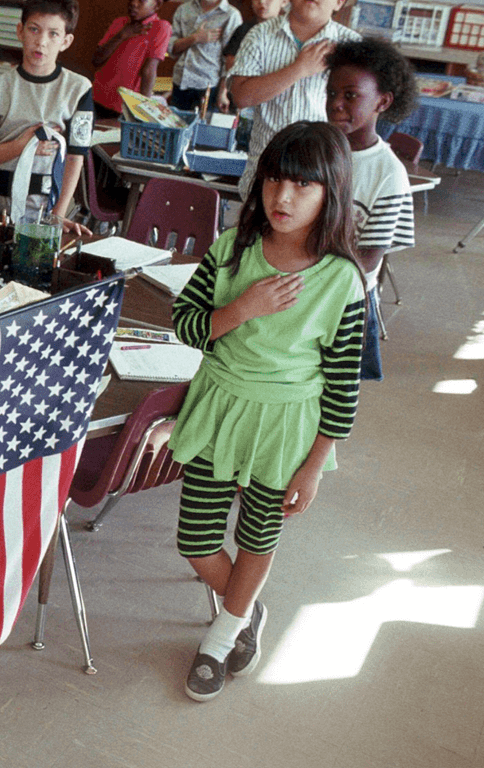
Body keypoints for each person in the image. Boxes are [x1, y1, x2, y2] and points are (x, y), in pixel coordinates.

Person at [166, 121, 366, 702]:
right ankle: (246, 610)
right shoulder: (232, 250)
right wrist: (243, 306)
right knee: (197, 540)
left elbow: (343, 385)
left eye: (304, 186)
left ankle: (221, 635)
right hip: (218, 408)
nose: (284, 198)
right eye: (275, 180)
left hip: (286, 427)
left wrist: (315, 466)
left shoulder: (343, 280)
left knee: (258, 536)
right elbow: (186, 325)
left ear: (332, 193)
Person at [228, 0, 361, 198]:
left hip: (321, 180)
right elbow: (241, 96)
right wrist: (299, 69)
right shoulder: (260, 35)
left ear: (340, 1)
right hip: (265, 174)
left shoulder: (351, 47)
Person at [325, 38, 418, 381]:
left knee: (332, 396)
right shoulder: (318, 149)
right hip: (296, 287)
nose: (335, 104)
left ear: (383, 101)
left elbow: (368, 259)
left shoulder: (388, 173)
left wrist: (309, 283)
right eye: (331, 93)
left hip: (344, 304)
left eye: (350, 95)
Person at [0, 0, 94, 237]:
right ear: (19, 31)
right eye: (34, 29)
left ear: (66, 41)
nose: (41, 41)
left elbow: (76, 156)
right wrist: (23, 145)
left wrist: (58, 213)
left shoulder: (78, 90)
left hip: (42, 206)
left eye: (53, 33)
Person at [91, 0, 173, 119]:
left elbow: (149, 70)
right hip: (98, 98)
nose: (133, 3)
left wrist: (143, 111)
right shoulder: (120, 23)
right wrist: (122, 35)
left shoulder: (160, 28)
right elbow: (96, 60)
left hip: (126, 107)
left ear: (157, 4)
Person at [168, 0, 242, 114]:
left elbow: (229, 61)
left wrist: (223, 92)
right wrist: (195, 38)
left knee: (200, 134)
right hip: (180, 81)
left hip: (208, 86)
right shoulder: (184, 10)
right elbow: (171, 49)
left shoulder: (231, 15)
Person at [218, 0, 288, 125]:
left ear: (284, 0)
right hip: (243, 100)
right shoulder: (244, 30)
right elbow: (230, 65)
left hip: (274, 105)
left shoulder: (288, 33)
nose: (262, 1)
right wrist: (223, 91)